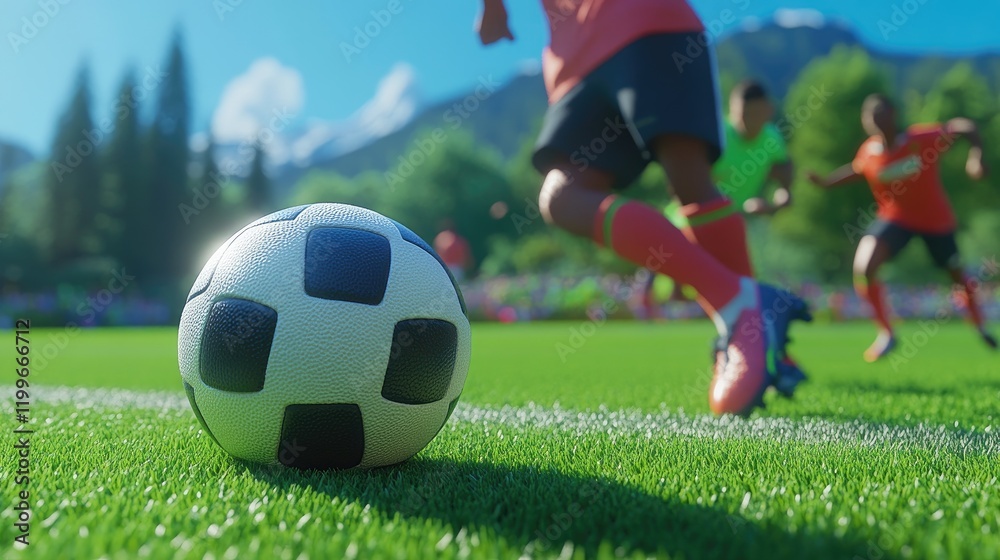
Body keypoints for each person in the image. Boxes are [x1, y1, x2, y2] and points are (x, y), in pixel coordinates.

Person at [475, 0, 811, 415]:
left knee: (689, 178)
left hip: (646, 18)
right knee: (561, 198)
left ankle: (746, 329)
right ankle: (743, 309)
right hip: (573, 60)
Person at [808, 93, 997, 361]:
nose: (875, 121)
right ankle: (887, 333)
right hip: (896, 219)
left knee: (956, 273)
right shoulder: (869, 152)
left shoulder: (921, 140)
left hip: (936, 221)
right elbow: (858, 169)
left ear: (893, 114)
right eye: (869, 117)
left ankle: (979, 325)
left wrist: (976, 156)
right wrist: (827, 182)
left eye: (881, 114)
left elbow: (965, 126)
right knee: (865, 267)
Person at [655, 79, 795, 305]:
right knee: (680, 271)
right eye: (740, 114)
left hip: (730, 221)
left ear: (767, 111)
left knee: (739, 283)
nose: (745, 120)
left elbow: (784, 171)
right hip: (689, 215)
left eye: (752, 114)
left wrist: (779, 198)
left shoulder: (773, 139)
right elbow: (684, 181)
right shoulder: (716, 135)